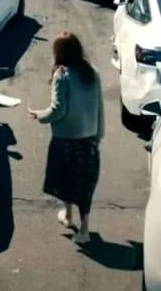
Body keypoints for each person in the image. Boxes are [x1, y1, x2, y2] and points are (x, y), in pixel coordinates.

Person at [29, 32, 104, 245]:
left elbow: (58, 110)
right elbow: (99, 107)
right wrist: (99, 134)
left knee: (65, 179)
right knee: (84, 185)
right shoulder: (93, 73)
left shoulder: (62, 75)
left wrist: (39, 116)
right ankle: (84, 227)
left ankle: (68, 215)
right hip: (89, 138)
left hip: (65, 139)